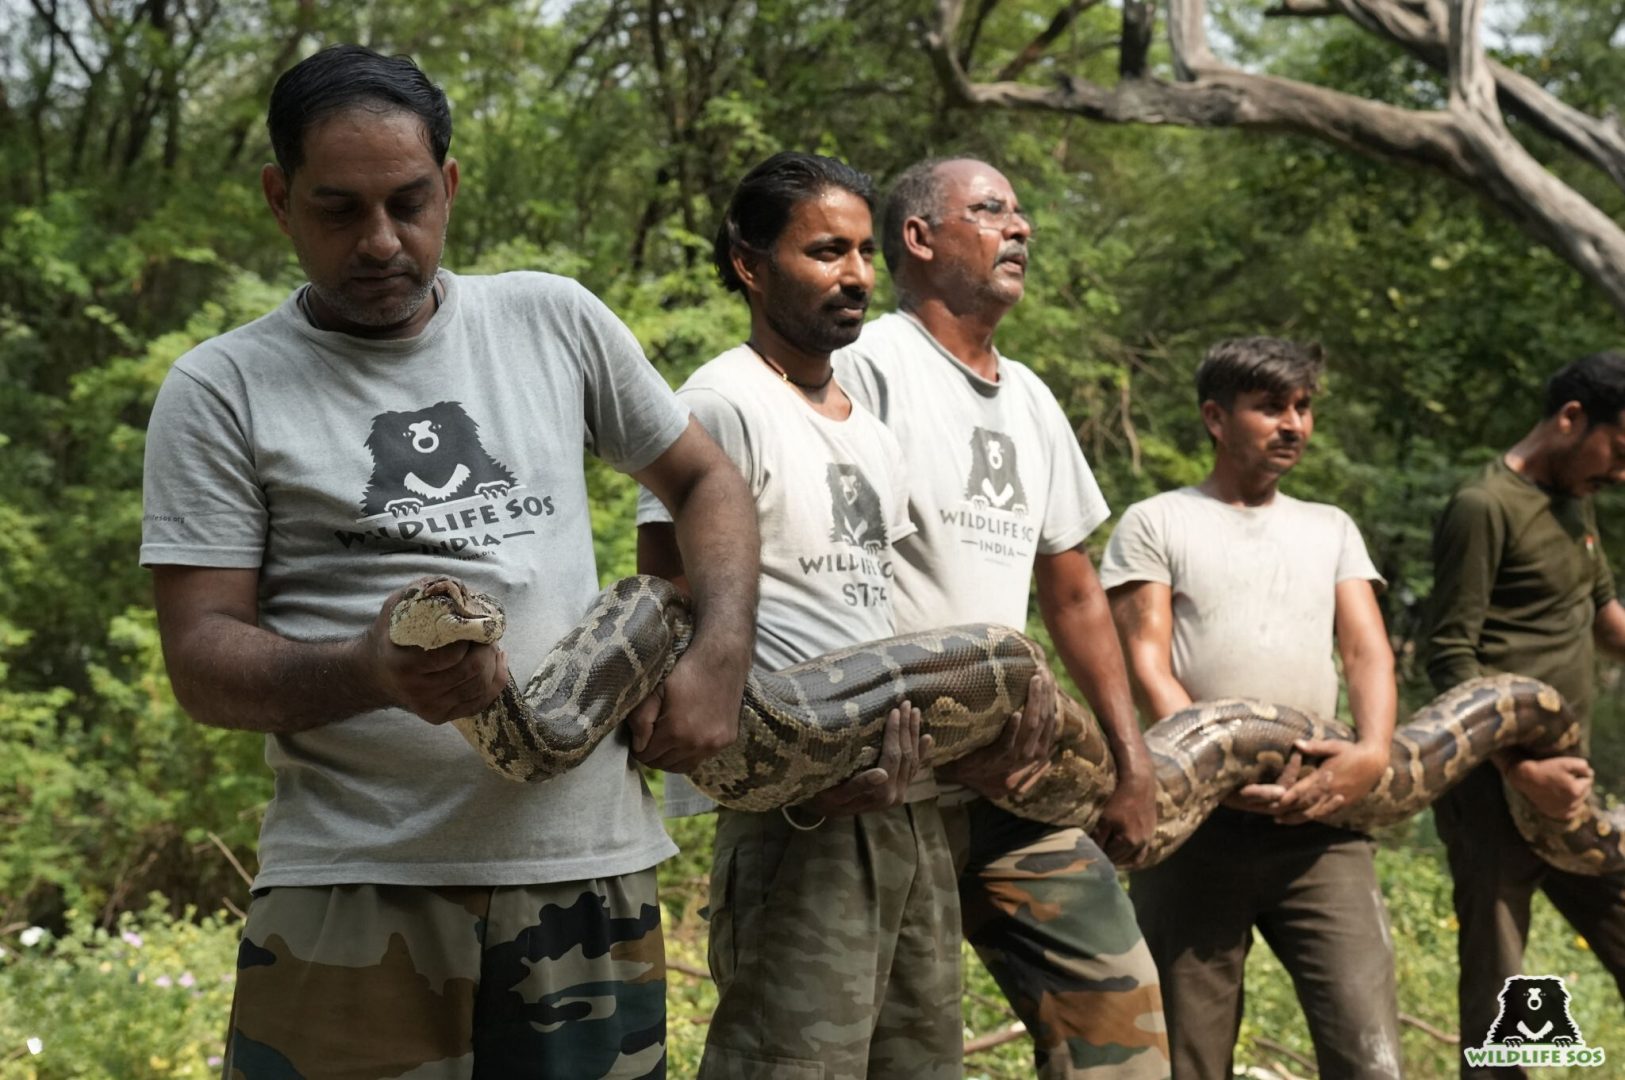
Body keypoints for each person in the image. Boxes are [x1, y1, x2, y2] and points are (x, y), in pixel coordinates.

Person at [140, 45, 759, 1078]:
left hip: (584, 872)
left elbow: (706, 483)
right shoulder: (220, 389)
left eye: (409, 202)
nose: (381, 241)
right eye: (338, 210)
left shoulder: (550, 319)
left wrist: (720, 652)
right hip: (351, 890)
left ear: (452, 186)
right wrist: (369, 670)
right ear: (277, 199)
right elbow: (201, 660)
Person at [836, 157, 1170, 1079]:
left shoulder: (1029, 398)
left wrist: (1129, 761)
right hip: (891, 780)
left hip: (1019, 778)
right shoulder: (868, 368)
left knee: (1121, 1027)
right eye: (990, 212)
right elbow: (827, 564)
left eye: (1020, 214)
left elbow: (1070, 592)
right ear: (919, 238)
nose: (1019, 228)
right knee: (893, 1048)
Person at [637, 151, 964, 1079]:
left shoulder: (865, 423)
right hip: (794, 816)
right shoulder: (717, 403)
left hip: (898, 802)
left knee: (920, 1062)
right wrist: (788, 781)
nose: (856, 275)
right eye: (825, 251)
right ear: (750, 263)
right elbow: (663, 613)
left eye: (863, 252)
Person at [1101, 337, 1401, 1080]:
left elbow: (1366, 652)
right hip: (1195, 826)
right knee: (1186, 1058)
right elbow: (1147, 660)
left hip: (1321, 824)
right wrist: (1213, 763)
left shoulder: (1327, 525)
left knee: (1368, 1054)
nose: (1292, 424)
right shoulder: (1156, 520)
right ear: (1214, 416)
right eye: (1270, 408)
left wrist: (1372, 752)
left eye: (1301, 407)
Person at [1424, 350, 1625, 1075]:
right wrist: (1517, 769)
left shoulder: (1577, 500)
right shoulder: (1483, 506)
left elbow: (1602, 619)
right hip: (1490, 785)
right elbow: (1448, 655)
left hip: (1568, 785)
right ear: (1571, 418)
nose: (1622, 471)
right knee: (1501, 990)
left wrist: (1549, 777)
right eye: (1620, 448)